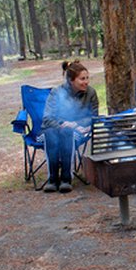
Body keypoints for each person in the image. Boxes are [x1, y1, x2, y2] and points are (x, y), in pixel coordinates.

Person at [41, 60, 99, 193]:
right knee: (50, 133)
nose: (86, 82)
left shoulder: (90, 93)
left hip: (79, 130)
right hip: (55, 129)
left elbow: (94, 117)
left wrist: (76, 124)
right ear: (71, 80)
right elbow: (47, 118)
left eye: (87, 78)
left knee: (67, 132)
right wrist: (62, 124)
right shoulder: (57, 92)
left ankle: (66, 178)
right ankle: (52, 179)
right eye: (82, 79)